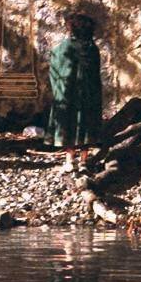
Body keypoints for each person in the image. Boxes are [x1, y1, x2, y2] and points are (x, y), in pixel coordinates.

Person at [46, 13, 103, 171]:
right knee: (86, 124)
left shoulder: (62, 48)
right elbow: (96, 74)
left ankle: (70, 160)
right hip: (89, 94)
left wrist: (58, 91)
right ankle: (83, 161)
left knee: (68, 123)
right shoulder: (93, 49)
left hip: (67, 94)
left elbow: (54, 72)